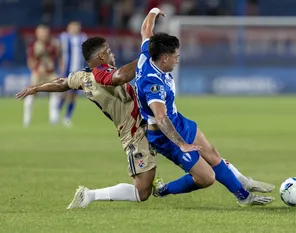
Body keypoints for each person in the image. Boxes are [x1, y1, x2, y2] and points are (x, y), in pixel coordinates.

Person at [134, 8, 275, 206]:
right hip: (165, 135)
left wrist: (153, 12)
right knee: (206, 178)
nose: (178, 59)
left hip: (177, 120)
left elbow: (146, 30)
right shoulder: (153, 84)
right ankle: (164, 189)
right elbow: (161, 118)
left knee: (212, 152)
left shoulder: (147, 53)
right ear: (164, 57)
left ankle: (243, 196)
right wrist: (181, 144)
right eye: (176, 56)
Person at [17, 36, 157, 208]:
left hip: (143, 125)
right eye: (108, 51)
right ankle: (90, 195)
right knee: (142, 191)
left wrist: (37, 87)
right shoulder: (103, 77)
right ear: (101, 57)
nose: (112, 53)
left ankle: (167, 184)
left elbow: (62, 83)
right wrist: (147, 56)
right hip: (135, 132)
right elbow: (122, 76)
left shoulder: (83, 76)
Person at [24, 24, 61, 127]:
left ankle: (54, 119)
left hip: (50, 73)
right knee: (31, 93)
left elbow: (59, 56)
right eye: (42, 32)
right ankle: (27, 120)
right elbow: (30, 60)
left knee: (56, 92)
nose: (44, 35)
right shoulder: (33, 45)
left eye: (45, 32)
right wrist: (35, 69)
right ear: (37, 33)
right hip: (38, 73)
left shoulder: (53, 44)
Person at [58, 21, 87, 126]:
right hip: (66, 70)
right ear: (68, 27)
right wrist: (60, 63)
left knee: (73, 95)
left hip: (78, 71)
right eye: (73, 27)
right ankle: (56, 112)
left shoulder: (83, 38)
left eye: (77, 27)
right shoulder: (63, 37)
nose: (75, 29)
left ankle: (67, 117)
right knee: (64, 93)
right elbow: (58, 50)